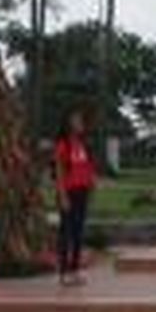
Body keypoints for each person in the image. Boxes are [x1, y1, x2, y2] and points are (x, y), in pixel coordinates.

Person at [54, 107, 97, 286]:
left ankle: (75, 270)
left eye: (81, 120)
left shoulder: (84, 143)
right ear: (68, 123)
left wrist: (92, 184)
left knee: (78, 233)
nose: (80, 123)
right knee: (66, 233)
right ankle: (64, 272)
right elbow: (59, 172)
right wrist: (62, 195)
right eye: (76, 120)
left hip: (82, 192)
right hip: (68, 192)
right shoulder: (63, 144)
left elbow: (88, 166)